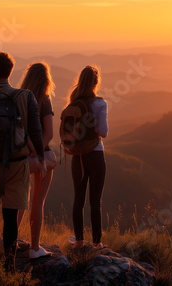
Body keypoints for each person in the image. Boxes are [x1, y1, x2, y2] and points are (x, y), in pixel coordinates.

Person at [0, 51, 46, 273]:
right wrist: (39, 158)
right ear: (10, 71)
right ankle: (9, 264)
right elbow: (35, 131)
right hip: (17, 163)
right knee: (10, 216)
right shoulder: (25, 96)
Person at [16, 62, 56, 259]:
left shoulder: (19, 97)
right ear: (46, 80)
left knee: (19, 201)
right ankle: (34, 248)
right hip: (41, 156)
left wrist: (28, 151)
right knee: (37, 203)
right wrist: (38, 155)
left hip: (20, 155)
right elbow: (49, 133)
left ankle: (11, 243)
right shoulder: (44, 99)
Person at [68, 65, 108, 249]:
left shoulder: (73, 101)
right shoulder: (100, 104)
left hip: (78, 156)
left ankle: (78, 241)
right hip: (96, 154)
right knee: (95, 202)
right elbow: (103, 132)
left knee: (78, 199)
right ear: (96, 82)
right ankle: (97, 243)